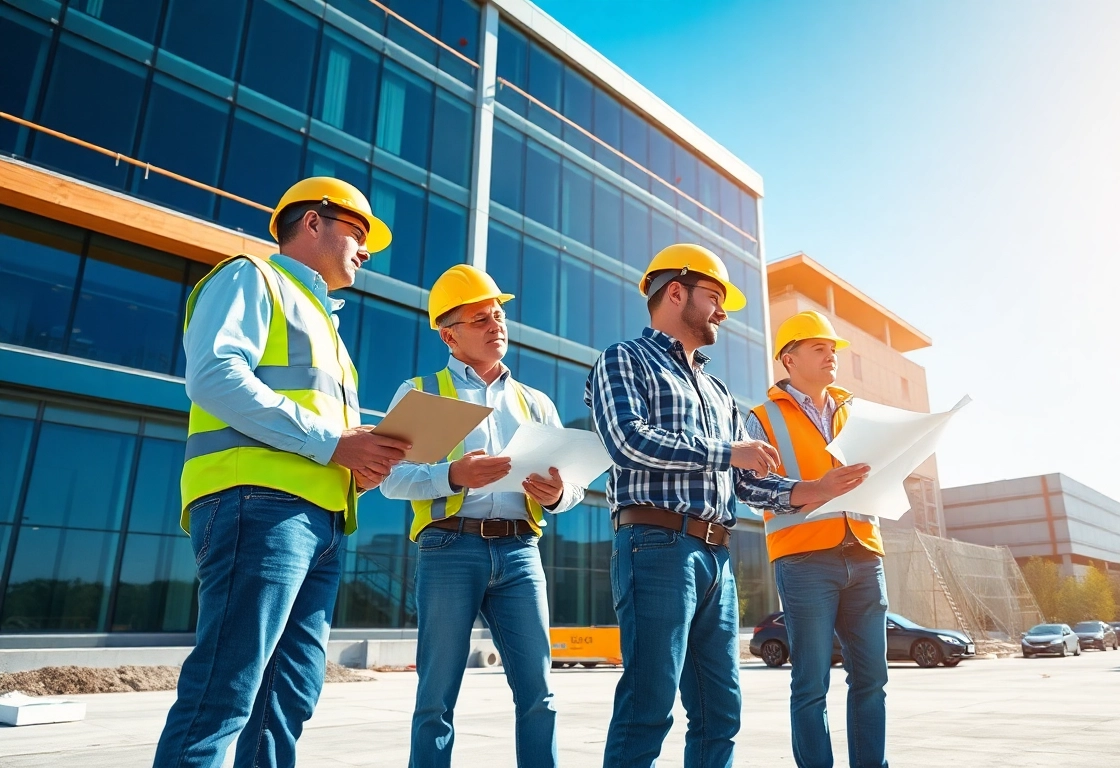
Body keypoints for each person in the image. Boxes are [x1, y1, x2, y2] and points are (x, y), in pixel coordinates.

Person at [154, 177, 410, 768]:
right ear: (313, 222)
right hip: (258, 505)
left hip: (320, 520)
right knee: (228, 689)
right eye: (358, 230)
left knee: (287, 697)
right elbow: (215, 375)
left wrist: (360, 463)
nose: (366, 250)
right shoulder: (251, 276)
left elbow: (325, 438)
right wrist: (331, 442)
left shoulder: (331, 329)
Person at [586, 244, 870, 768]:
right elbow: (628, 440)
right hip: (655, 544)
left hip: (717, 557)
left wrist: (814, 490)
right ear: (675, 292)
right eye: (714, 297)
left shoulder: (718, 391)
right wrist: (726, 450)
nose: (722, 311)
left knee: (721, 712)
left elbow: (748, 482)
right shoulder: (622, 359)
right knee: (648, 704)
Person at [380, 264, 584, 768]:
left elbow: (574, 486)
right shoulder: (420, 391)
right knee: (436, 697)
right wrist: (453, 477)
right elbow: (388, 480)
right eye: (480, 319)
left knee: (539, 693)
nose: (497, 325)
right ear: (450, 335)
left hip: (520, 552)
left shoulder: (534, 402)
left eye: (498, 315)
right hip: (450, 549)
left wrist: (558, 494)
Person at [744, 310, 888, 768]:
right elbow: (749, 489)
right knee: (811, 682)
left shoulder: (855, 411)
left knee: (871, 678)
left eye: (833, 351)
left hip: (865, 552)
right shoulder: (762, 418)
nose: (831, 358)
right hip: (805, 559)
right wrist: (813, 491)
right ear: (789, 358)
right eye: (819, 349)